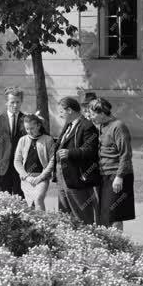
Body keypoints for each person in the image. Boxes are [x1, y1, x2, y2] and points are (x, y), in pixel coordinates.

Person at [89, 97, 135, 229]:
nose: (91, 117)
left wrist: (119, 177)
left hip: (117, 175)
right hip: (105, 174)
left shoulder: (118, 127)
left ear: (102, 113)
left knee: (115, 214)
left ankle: (117, 244)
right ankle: (111, 244)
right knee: (106, 213)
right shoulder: (102, 126)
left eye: (93, 114)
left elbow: (126, 154)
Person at [54, 96, 101, 225]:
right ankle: (70, 241)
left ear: (69, 110)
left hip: (76, 176)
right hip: (62, 175)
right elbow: (61, 144)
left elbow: (91, 150)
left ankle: (88, 238)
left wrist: (70, 153)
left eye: (61, 111)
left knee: (81, 213)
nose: (60, 114)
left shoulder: (87, 126)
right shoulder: (68, 125)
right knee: (64, 212)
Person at [0, 87, 26, 197]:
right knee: (4, 201)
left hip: (22, 169)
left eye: (18, 102)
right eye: (12, 102)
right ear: (6, 102)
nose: (15, 105)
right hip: (2, 169)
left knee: (21, 200)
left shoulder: (27, 120)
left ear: (21, 102)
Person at [13, 113, 55, 211]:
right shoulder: (22, 140)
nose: (29, 131)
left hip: (42, 178)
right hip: (27, 179)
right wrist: (26, 177)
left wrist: (41, 177)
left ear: (38, 126)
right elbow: (17, 161)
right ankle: (33, 225)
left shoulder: (48, 140)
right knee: (29, 205)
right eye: (27, 129)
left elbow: (52, 161)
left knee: (38, 199)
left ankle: (42, 223)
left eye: (32, 128)